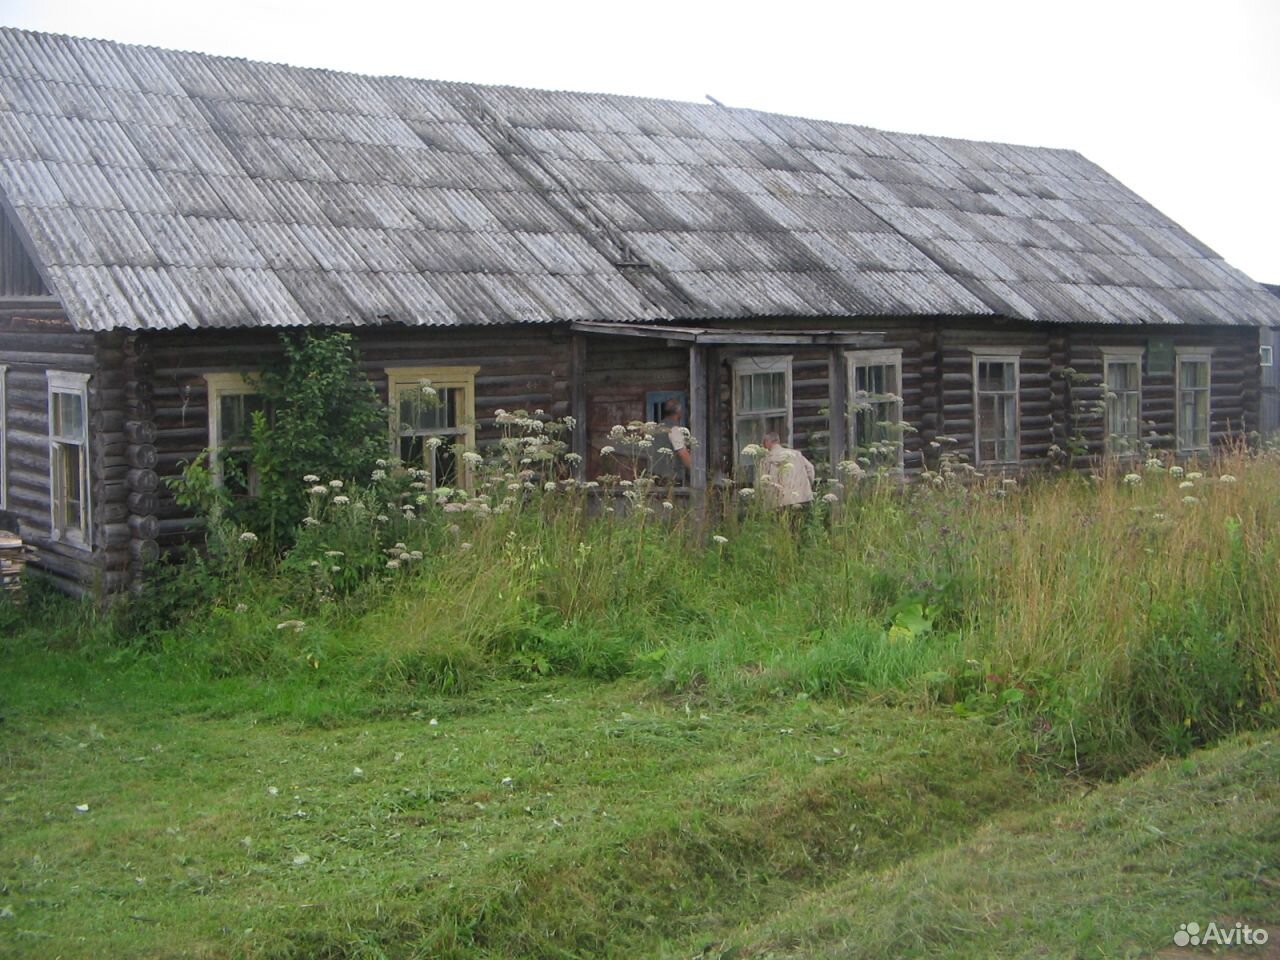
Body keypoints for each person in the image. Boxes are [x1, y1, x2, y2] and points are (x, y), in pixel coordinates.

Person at [759, 431, 815, 512]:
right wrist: (805, 486)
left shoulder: (766, 460)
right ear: (778, 441)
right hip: (802, 498)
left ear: (767, 442)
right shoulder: (796, 454)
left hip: (779, 502)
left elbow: (763, 482)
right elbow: (810, 468)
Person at [651, 397, 692, 482]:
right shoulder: (674, 429)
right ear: (678, 412)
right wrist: (694, 470)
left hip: (656, 475)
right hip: (671, 478)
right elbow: (682, 452)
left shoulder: (658, 427)